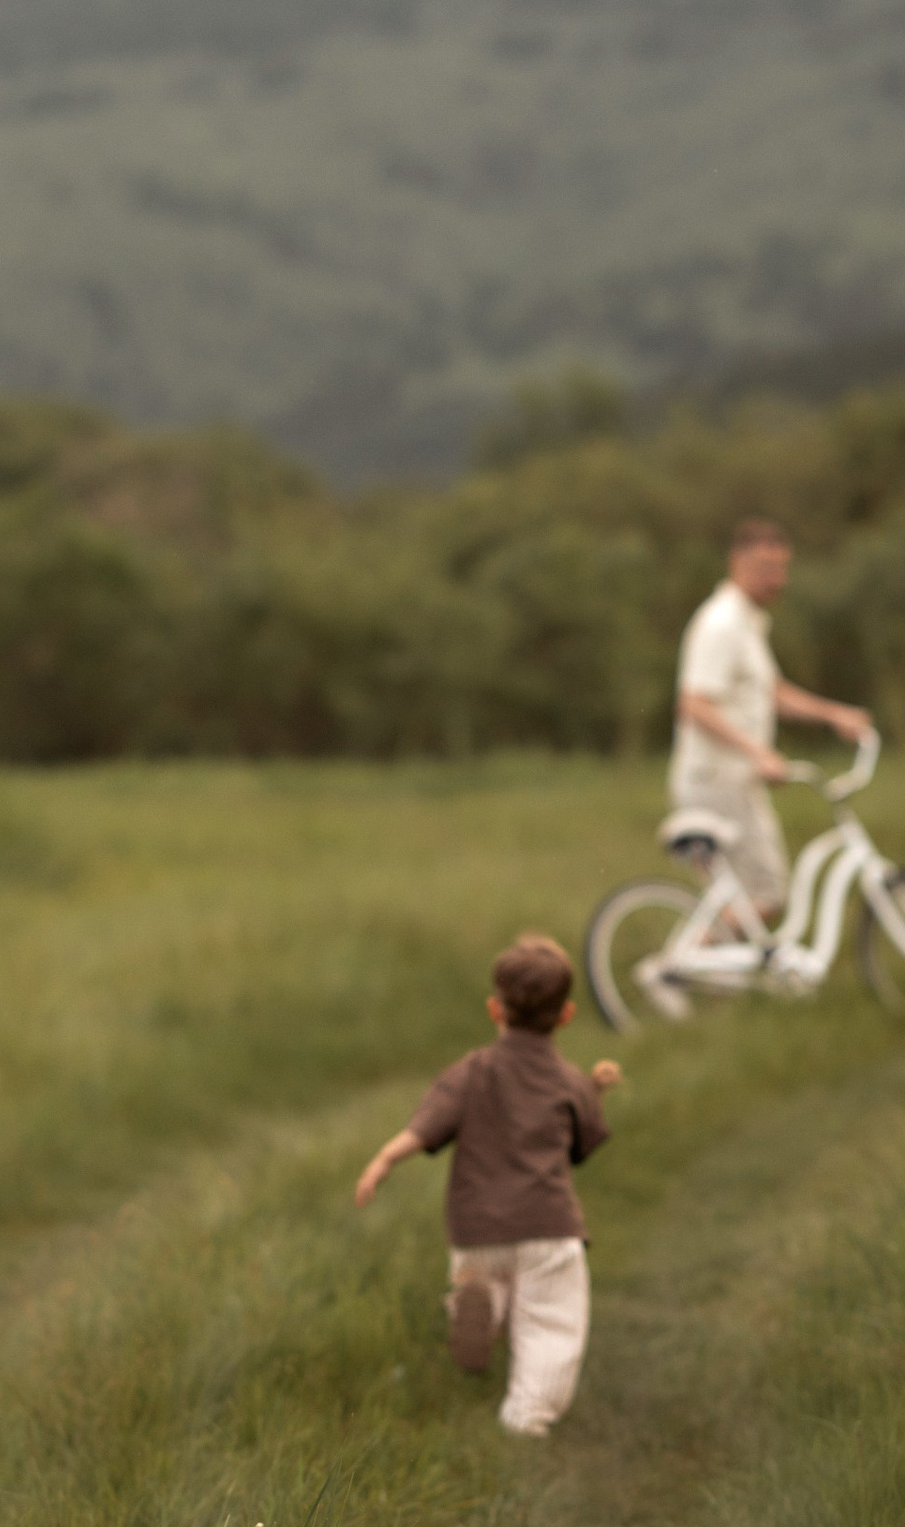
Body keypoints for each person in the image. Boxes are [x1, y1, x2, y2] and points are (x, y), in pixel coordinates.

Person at [353, 933, 620, 1437]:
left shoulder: (471, 1072)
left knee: (488, 1279)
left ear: (495, 1009)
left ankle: (482, 1306)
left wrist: (384, 1160)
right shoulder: (567, 1080)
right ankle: (526, 1417)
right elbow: (583, 1145)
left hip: (476, 1228)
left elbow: (424, 1128)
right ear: (566, 1015)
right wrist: (595, 1092)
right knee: (550, 1323)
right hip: (546, 1227)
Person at [665, 518, 871, 925]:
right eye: (765, 569)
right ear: (735, 564)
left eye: (781, 569)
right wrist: (759, 752)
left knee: (749, 899)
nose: (776, 580)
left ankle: (711, 977)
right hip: (716, 783)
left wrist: (834, 714)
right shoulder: (721, 624)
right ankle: (673, 973)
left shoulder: (748, 622)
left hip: (737, 781)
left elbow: (772, 692)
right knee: (766, 895)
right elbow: (693, 704)